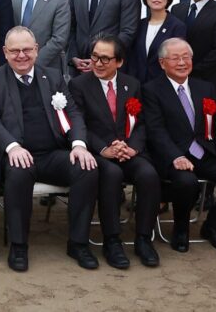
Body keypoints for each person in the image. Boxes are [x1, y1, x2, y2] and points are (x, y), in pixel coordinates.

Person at [0, 26, 99, 272]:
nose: (21, 55)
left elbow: (73, 112)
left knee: (86, 168)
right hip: (17, 154)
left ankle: (78, 243)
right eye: (15, 51)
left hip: (53, 153)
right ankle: (19, 245)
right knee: (19, 171)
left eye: (26, 50)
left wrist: (78, 145)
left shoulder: (52, 76)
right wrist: (12, 147)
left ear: (36, 49)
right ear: (5, 52)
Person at [143, 38, 216, 252]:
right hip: (172, 156)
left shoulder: (205, 87)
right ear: (163, 63)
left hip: (204, 153)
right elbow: (156, 131)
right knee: (186, 182)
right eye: (175, 58)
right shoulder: (151, 90)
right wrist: (175, 156)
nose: (182, 62)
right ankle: (181, 228)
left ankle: (214, 227)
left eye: (186, 57)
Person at [68, 34, 160, 268]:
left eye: (105, 59)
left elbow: (140, 123)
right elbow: (79, 125)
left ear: (119, 62)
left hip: (128, 150)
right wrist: (103, 148)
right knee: (112, 175)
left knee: (148, 174)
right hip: (98, 152)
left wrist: (133, 147)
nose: (98, 63)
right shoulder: (78, 85)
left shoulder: (132, 84)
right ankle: (112, 241)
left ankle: (143, 239)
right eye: (95, 57)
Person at [126, 0, 186, 84]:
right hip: (138, 86)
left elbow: (176, 60)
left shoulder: (177, 26)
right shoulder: (139, 25)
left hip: (163, 87)